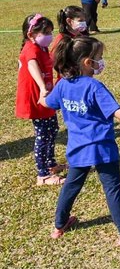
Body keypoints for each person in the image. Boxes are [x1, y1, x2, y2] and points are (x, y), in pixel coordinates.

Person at [41, 35, 120, 244]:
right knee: (112, 187)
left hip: (77, 148)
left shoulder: (63, 85)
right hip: (102, 148)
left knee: (71, 185)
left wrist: (42, 94)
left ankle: (59, 225)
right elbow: (117, 111)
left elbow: (49, 103)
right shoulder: (95, 87)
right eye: (99, 57)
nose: (101, 62)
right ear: (87, 62)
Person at [16, 14, 65, 186]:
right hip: (37, 97)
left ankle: (51, 164)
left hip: (46, 96)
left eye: (51, 32)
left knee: (53, 128)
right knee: (43, 134)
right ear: (31, 35)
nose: (49, 36)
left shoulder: (42, 47)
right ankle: (42, 175)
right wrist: (43, 88)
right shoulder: (31, 48)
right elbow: (32, 65)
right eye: (46, 32)